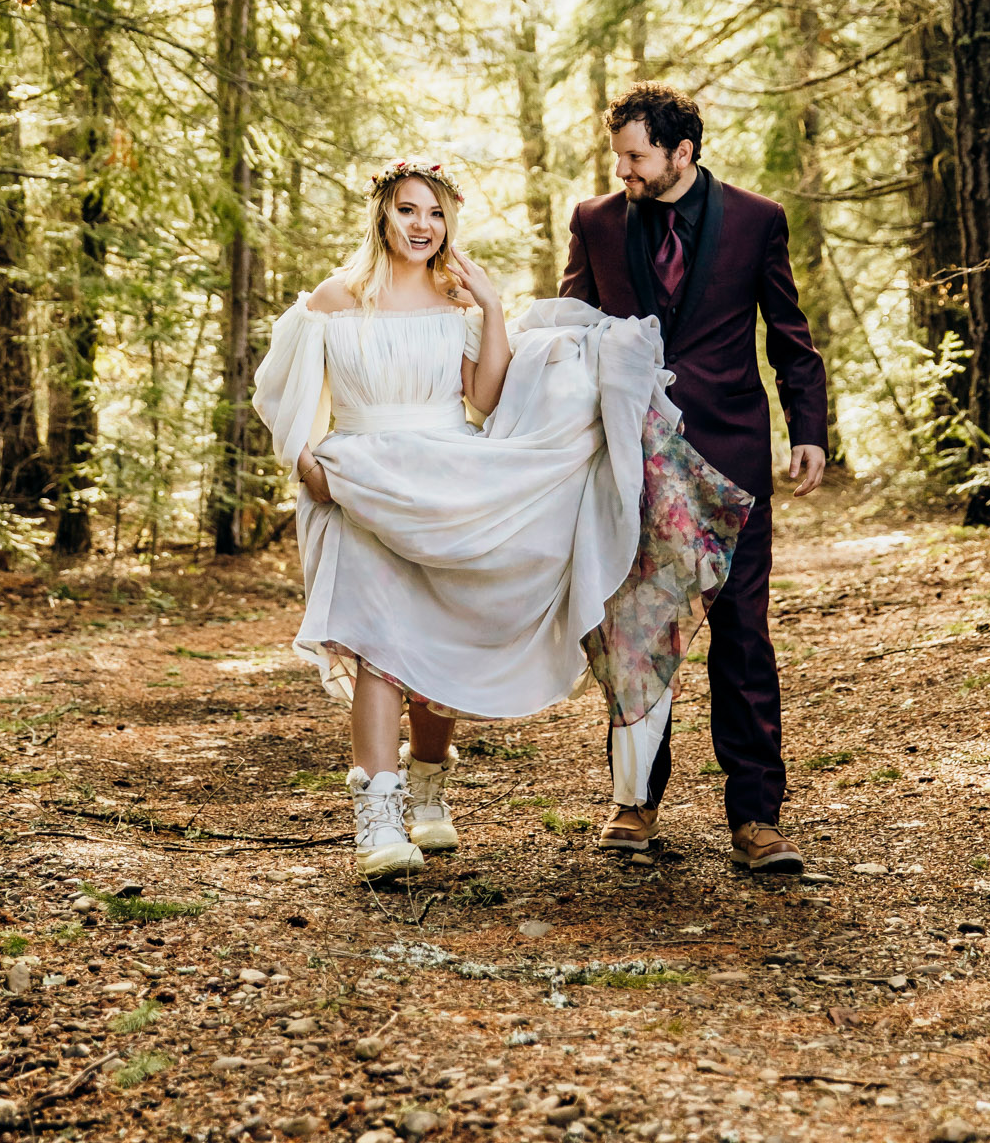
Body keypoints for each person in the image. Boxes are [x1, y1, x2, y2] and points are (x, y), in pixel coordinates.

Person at [253, 160, 664, 880]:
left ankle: (428, 785)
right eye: (409, 210)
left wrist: (493, 309)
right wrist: (309, 466)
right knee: (377, 643)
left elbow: (485, 396)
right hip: (360, 483)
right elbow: (282, 396)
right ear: (382, 214)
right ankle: (377, 822)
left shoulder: (453, 301)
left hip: (446, 480)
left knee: (430, 642)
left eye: (435, 214)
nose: (422, 226)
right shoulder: (332, 299)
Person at [560, 83, 829, 871]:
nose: (622, 170)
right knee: (637, 632)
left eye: (636, 155)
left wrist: (807, 430)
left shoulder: (756, 220)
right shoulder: (595, 222)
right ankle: (633, 805)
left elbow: (788, 332)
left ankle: (757, 822)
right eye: (617, 156)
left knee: (742, 638)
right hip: (632, 462)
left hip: (731, 458)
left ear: (682, 152)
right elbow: (571, 334)